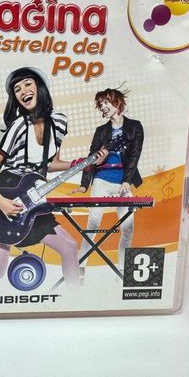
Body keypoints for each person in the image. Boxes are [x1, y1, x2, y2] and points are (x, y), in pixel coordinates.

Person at [0, 67, 106, 287]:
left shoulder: (59, 123)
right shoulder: (18, 126)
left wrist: (79, 164)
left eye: (27, 84)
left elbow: (49, 164)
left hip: (33, 196)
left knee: (69, 247)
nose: (22, 91)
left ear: (39, 87)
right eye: (17, 89)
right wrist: (1, 201)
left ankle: (75, 300)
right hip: (6, 193)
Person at [72, 87, 144, 271]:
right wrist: (84, 185)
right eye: (100, 104)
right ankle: (80, 266)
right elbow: (91, 158)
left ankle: (123, 269)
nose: (102, 107)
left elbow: (134, 155)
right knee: (93, 224)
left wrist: (126, 181)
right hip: (101, 181)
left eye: (106, 103)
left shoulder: (135, 127)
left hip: (123, 182)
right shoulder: (101, 131)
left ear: (117, 103)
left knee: (128, 227)